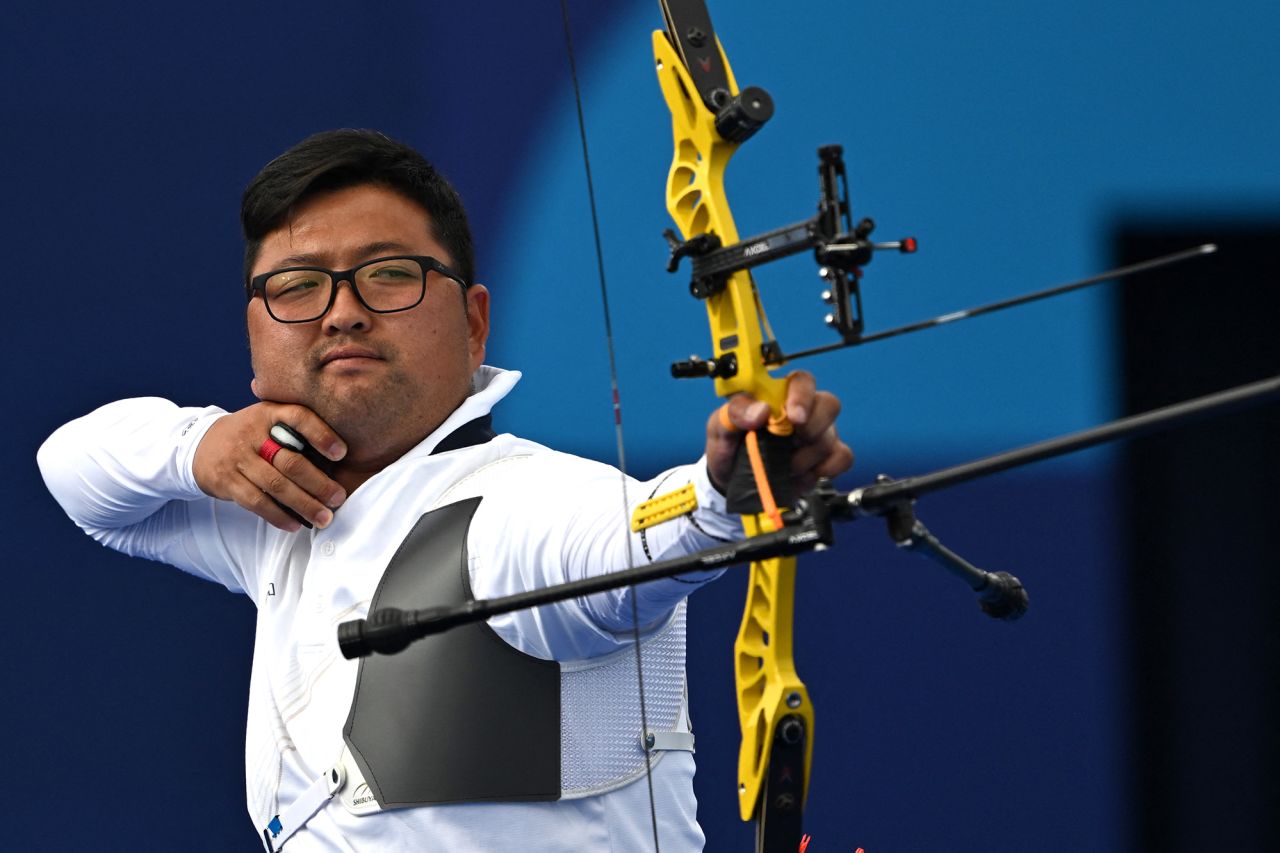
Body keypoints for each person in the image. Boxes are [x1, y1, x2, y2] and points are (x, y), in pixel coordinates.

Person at [38, 129, 852, 851]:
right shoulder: (279, 512)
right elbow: (75, 470)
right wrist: (199, 445)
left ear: (473, 321)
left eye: (389, 275)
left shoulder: (524, 503)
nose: (343, 313)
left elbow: (626, 540)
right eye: (296, 286)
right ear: (256, 332)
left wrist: (717, 495)